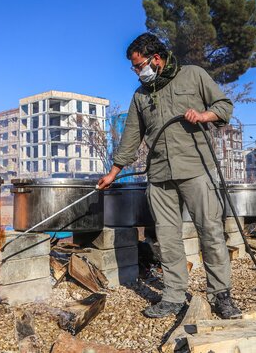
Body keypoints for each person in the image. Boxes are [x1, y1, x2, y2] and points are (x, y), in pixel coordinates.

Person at [98, 33, 241, 319]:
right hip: (160, 174)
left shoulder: (193, 76)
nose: (138, 72)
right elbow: (131, 136)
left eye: (140, 65)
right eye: (135, 68)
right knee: (166, 237)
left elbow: (224, 107)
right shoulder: (140, 95)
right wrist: (114, 171)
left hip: (197, 169)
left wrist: (204, 116)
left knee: (210, 232)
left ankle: (221, 295)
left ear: (156, 59)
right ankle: (173, 297)